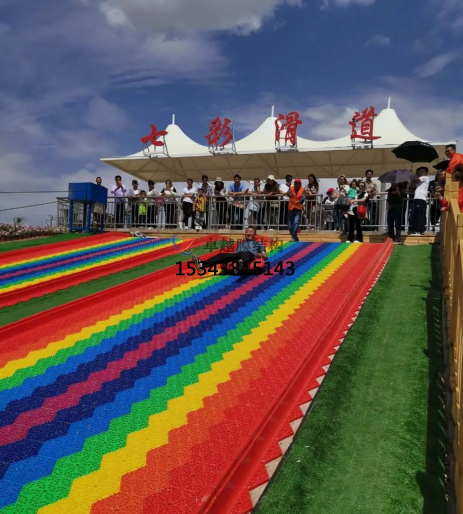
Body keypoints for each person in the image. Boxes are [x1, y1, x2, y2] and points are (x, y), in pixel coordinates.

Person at [192, 226, 268, 275]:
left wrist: (261, 256)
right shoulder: (241, 244)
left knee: (246, 252)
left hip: (250, 256)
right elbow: (236, 253)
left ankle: (241, 264)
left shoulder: (258, 243)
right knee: (221, 255)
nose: (248, 233)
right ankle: (202, 265)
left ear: (255, 235)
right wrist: (230, 259)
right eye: (247, 232)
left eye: (251, 232)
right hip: (239, 256)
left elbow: (265, 256)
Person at [409, 166, 430, 236]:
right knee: (415, 214)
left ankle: (420, 230)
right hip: (417, 198)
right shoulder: (420, 179)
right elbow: (412, 184)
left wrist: (411, 175)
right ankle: (416, 229)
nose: (420, 173)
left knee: (420, 215)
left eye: (422, 171)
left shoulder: (425, 177)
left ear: (426, 172)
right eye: (419, 172)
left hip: (421, 198)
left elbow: (415, 180)